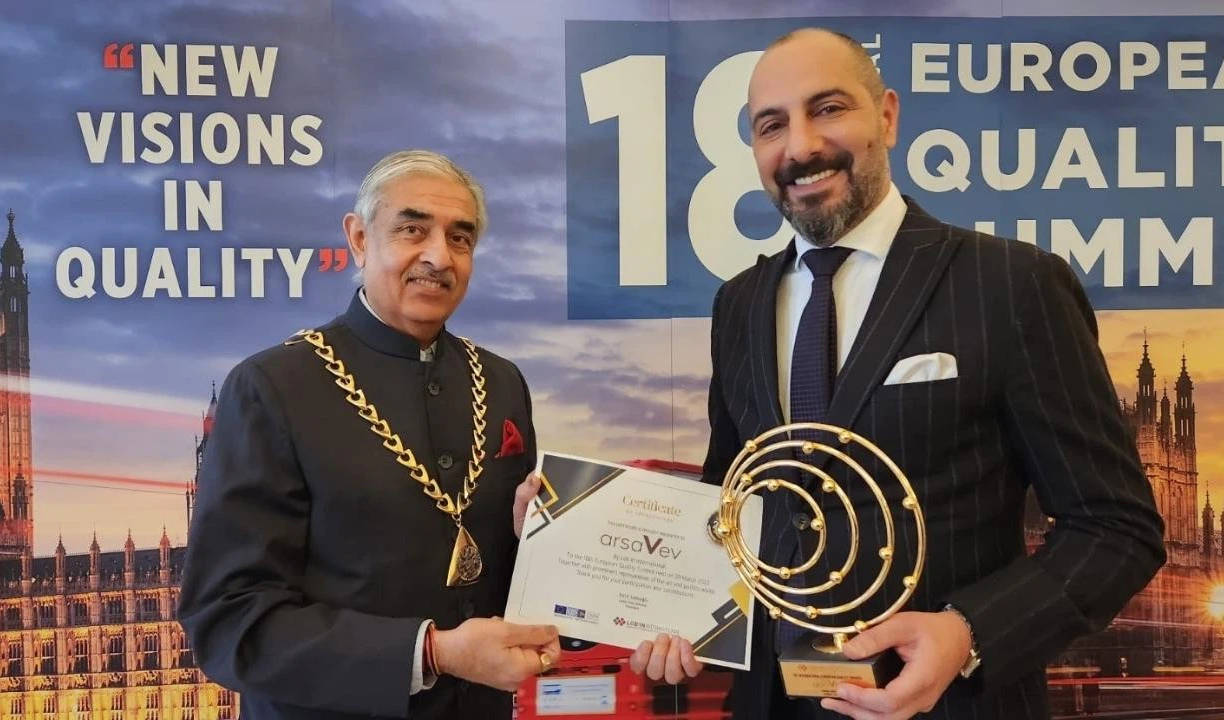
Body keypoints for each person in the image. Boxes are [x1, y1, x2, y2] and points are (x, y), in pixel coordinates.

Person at [634, 28, 1167, 719]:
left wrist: (969, 634)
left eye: (828, 109)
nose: (800, 146)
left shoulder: (1012, 284)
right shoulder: (737, 305)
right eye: (772, 126)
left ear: (886, 116)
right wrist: (626, 566)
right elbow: (733, 507)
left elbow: (1117, 527)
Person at [178, 149, 561, 719]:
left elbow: (509, 587)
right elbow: (229, 621)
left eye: (460, 238)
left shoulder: (502, 381)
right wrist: (431, 653)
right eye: (412, 230)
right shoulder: (271, 387)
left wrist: (538, 546)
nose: (439, 256)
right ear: (359, 239)